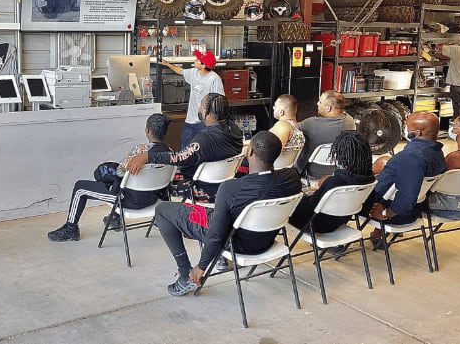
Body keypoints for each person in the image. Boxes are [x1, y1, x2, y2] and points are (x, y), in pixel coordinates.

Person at [151, 131, 301, 296]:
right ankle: (218, 253)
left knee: (163, 210)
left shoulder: (231, 188)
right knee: (213, 212)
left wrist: (201, 267)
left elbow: (215, 235)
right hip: (265, 240)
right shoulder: (292, 178)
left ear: (250, 152)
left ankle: (185, 272)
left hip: (233, 240)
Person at [47, 113, 173, 242]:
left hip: (129, 201)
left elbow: (120, 173)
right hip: (153, 200)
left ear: (147, 130)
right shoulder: (171, 153)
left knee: (80, 187)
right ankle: (115, 217)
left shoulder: (140, 150)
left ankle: (70, 228)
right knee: (124, 182)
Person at [126, 93, 244, 202]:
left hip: (203, 190)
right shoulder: (234, 129)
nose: (198, 108)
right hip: (224, 185)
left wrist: (148, 156)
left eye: (201, 105)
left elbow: (179, 158)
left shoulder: (205, 139)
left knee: (162, 176)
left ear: (208, 112)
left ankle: (161, 212)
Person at [361, 112, 446, 241]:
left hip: (391, 212)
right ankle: (378, 234)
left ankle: (333, 238)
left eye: (407, 127)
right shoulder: (437, 153)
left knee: (332, 186)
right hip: (411, 210)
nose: (405, 130)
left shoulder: (412, 157)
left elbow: (407, 195)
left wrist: (386, 213)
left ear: (417, 133)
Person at [289, 131, 375, 233]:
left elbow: (309, 209)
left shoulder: (335, 182)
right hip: (338, 222)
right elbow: (365, 209)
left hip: (313, 224)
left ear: (340, 155)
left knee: (290, 188)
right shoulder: (369, 180)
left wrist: (299, 197)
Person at [160, 50, 224, 149]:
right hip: (190, 121)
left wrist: (211, 122)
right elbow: (180, 71)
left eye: (198, 59)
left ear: (203, 65)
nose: (195, 60)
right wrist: (167, 64)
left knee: (203, 151)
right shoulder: (194, 72)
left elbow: (219, 102)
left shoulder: (214, 79)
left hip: (205, 123)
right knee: (185, 150)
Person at [294, 90, 356, 179]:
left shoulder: (311, 124)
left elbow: (291, 127)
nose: (317, 103)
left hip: (313, 174)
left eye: (320, 102)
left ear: (328, 108)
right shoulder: (350, 121)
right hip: (338, 172)